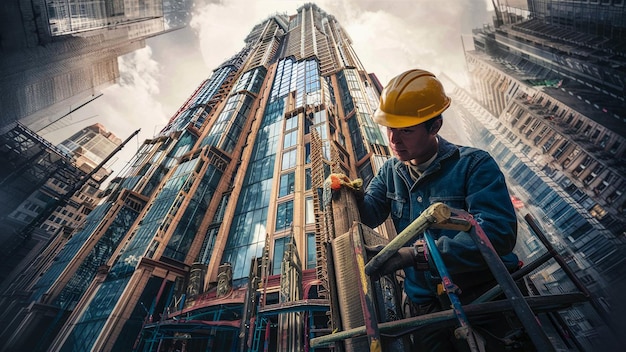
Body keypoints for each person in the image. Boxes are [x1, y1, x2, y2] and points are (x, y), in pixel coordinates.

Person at [356, 69, 524, 351]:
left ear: (434, 127)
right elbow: (369, 214)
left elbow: (498, 232)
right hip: (425, 305)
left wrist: (417, 255)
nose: (394, 140)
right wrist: (349, 193)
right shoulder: (389, 172)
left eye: (406, 131)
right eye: (391, 129)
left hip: (485, 294)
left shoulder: (473, 165)